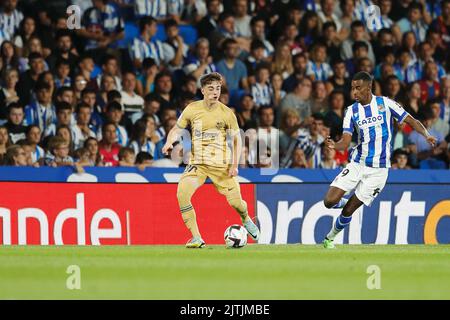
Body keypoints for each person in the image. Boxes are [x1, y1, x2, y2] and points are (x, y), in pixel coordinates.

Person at [322, 71, 437, 249]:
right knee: (329, 202)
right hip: (358, 164)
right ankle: (349, 202)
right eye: (352, 88)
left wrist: (427, 135)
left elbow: (411, 120)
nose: (354, 92)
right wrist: (335, 146)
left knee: (348, 210)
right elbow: (345, 140)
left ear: (368, 87)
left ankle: (329, 238)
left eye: (358, 88)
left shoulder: (386, 103)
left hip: (379, 171)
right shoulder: (351, 111)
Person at [161, 72, 260, 248]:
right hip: (197, 164)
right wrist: (170, 141)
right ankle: (197, 237)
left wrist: (234, 165)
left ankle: (245, 218)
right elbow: (177, 128)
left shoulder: (227, 113)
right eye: (211, 88)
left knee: (236, 203)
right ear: (203, 90)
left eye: (218, 88)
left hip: (221, 165)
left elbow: (237, 141)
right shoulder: (192, 109)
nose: (215, 92)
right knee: (182, 194)